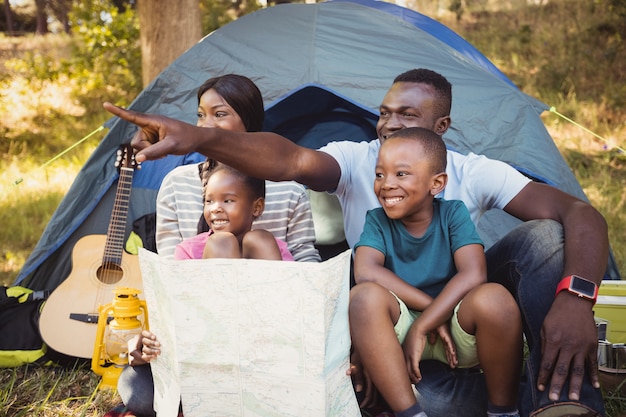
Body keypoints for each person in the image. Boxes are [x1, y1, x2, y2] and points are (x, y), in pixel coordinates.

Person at [104, 68, 609, 417]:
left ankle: (558, 398)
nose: (388, 125)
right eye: (383, 112)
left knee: (545, 236)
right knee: (429, 402)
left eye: (405, 116)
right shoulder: (358, 161)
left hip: (464, 308)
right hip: (396, 320)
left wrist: (576, 297)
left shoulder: (474, 174)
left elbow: (578, 214)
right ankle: (478, 398)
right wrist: (202, 139)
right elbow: (290, 162)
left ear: (442, 128)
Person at [350, 127, 521, 417]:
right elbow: (366, 271)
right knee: (363, 297)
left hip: (455, 331)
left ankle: (503, 411)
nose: (386, 184)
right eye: (380, 174)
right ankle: (410, 412)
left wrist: (424, 324)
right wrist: (429, 315)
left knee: (495, 299)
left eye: (401, 174)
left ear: (437, 183)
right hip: (398, 338)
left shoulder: (453, 213)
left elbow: (474, 274)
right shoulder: (377, 221)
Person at [156, 74, 320, 262]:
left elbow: (305, 260)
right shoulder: (176, 184)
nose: (205, 125)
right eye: (201, 115)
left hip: (272, 286)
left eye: (219, 114)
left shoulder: (290, 191)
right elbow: (169, 267)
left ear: (248, 121)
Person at [174, 163, 294, 261]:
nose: (215, 208)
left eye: (228, 201)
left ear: (257, 207)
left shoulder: (275, 249)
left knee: (260, 240)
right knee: (220, 243)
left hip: (266, 290)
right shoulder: (189, 251)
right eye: (209, 201)